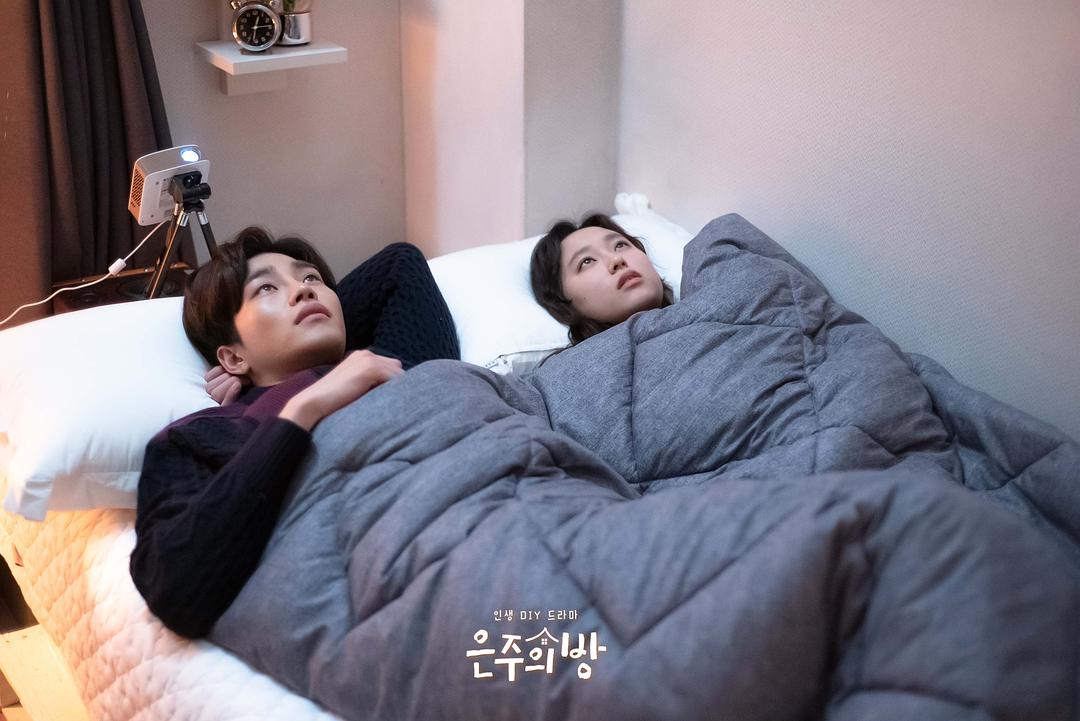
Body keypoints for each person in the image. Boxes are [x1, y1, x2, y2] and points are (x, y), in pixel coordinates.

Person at [129, 227, 459, 638]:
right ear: (230, 357)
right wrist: (301, 409)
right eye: (265, 288)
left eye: (311, 279)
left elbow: (399, 264)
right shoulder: (211, 433)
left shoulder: (389, 364)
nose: (304, 290)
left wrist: (328, 346)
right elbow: (174, 587)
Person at [530, 213, 675, 348]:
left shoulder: (690, 306)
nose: (616, 259)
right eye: (587, 261)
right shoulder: (568, 366)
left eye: (620, 245)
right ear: (562, 304)